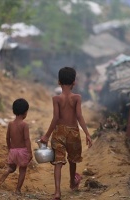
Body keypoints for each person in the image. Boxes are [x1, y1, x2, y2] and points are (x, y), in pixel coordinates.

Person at [40, 66, 93, 200]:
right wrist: (87, 133)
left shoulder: (56, 99)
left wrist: (46, 135)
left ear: (59, 82)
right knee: (73, 159)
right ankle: (72, 183)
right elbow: (79, 116)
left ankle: (57, 192)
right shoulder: (77, 98)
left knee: (58, 162)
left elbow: (56, 118)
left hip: (59, 132)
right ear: (74, 82)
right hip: (73, 132)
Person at [0, 98, 33, 194]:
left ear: (14, 111)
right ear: (25, 112)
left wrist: (10, 148)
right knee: (22, 170)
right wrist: (30, 152)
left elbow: (7, 138)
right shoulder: (24, 125)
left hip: (13, 151)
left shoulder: (10, 124)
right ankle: (18, 190)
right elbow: (27, 139)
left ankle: (7, 171)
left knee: (12, 168)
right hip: (22, 151)